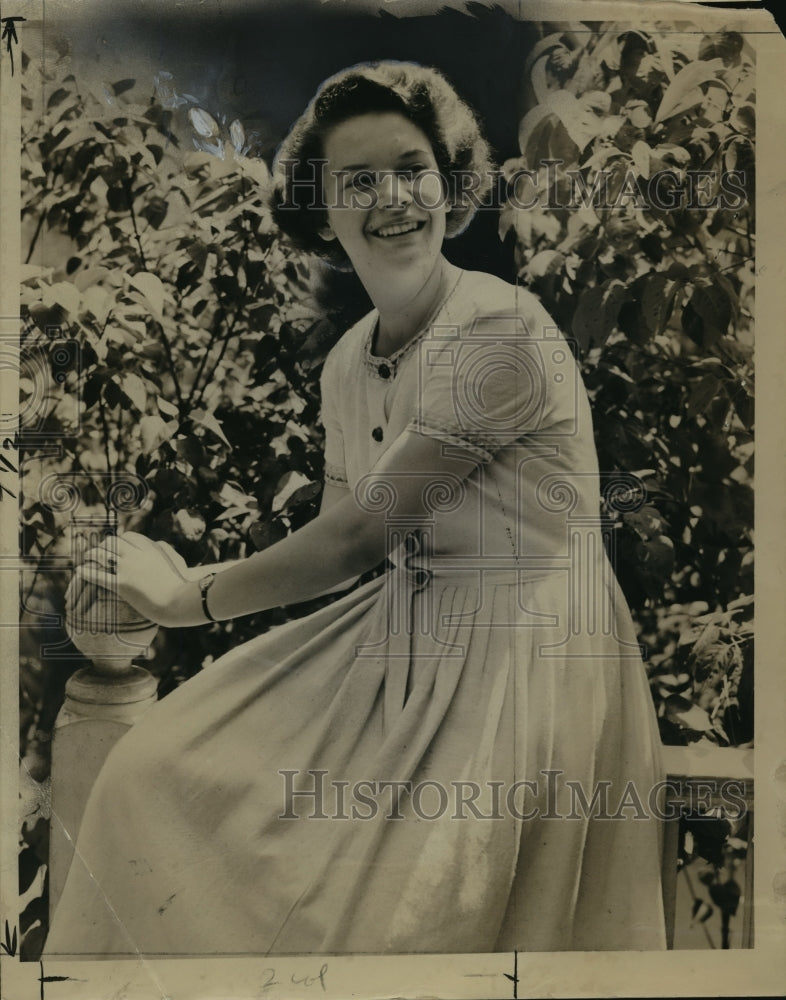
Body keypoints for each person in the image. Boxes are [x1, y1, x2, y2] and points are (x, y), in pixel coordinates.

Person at [45, 61, 666, 956]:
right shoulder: (348, 360)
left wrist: (186, 597)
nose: (393, 198)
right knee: (156, 770)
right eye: (358, 181)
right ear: (323, 213)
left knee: (402, 928)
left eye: (412, 168)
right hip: (401, 641)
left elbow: (357, 535)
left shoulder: (501, 330)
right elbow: (357, 543)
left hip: (526, 655)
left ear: (449, 186)